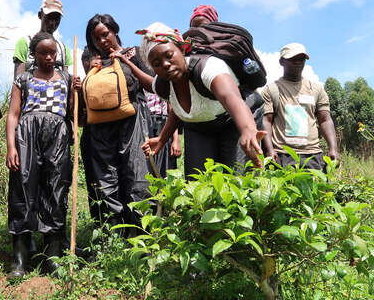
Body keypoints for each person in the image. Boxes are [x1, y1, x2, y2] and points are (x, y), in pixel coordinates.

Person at [117, 22, 265, 176]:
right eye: (156, 64)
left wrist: (247, 129)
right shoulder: (163, 85)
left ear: (181, 49)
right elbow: (178, 110)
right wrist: (162, 139)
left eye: (169, 55)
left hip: (235, 120)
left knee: (237, 179)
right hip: (199, 127)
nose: (165, 64)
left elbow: (231, 98)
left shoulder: (208, 68)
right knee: (197, 183)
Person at [5, 32, 81, 278]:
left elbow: (72, 112)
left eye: (52, 53)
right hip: (27, 135)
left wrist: (76, 91)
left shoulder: (67, 78)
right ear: (34, 54)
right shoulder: (23, 79)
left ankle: (53, 256)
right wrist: (11, 147)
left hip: (57, 135)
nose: (48, 57)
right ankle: (20, 258)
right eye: (43, 53)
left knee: (56, 190)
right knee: (22, 189)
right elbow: (13, 115)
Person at [81, 13, 152, 231]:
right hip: (101, 129)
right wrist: (84, 77)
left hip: (133, 123)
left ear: (115, 31)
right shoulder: (92, 63)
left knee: (136, 175)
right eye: (96, 38)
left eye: (105, 34)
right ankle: (112, 236)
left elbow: (151, 85)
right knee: (105, 180)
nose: (102, 41)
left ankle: (139, 234)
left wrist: (126, 61)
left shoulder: (134, 53)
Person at [261, 43, 340, 170]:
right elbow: (266, 121)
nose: (298, 62)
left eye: (301, 59)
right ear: (282, 62)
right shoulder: (271, 90)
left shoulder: (316, 89)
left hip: (312, 156)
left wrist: (333, 149)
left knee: (316, 190)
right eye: (293, 59)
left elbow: (325, 120)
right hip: (282, 155)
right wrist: (270, 150)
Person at [12, 0, 72, 79]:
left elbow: (66, 81)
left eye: (56, 19)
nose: (52, 23)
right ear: (40, 15)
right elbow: (18, 80)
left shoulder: (63, 49)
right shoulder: (25, 42)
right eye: (49, 17)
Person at [79, 47, 102, 220]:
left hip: (109, 135)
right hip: (90, 136)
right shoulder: (82, 84)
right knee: (93, 182)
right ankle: (99, 223)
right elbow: (78, 118)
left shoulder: (108, 77)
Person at [145, 92, 182, 175]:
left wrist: (176, 139)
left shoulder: (163, 80)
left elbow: (172, 107)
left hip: (164, 125)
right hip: (143, 122)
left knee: (164, 170)